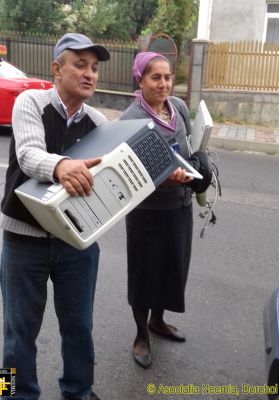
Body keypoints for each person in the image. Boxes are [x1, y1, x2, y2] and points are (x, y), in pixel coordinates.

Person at [0, 33, 110, 400]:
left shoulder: (97, 122)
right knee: (17, 331)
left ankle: (79, 390)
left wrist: (162, 178)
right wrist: (62, 165)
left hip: (75, 241)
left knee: (79, 326)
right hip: (22, 238)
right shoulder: (30, 101)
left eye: (94, 68)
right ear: (56, 68)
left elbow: (113, 178)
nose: (89, 74)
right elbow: (29, 154)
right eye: (80, 65)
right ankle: (7, 394)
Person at [120, 51, 194, 369]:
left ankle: (158, 321)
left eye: (168, 77)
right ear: (141, 80)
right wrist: (161, 181)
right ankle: (141, 334)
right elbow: (126, 172)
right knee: (144, 273)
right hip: (147, 213)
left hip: (179, 205)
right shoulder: (132, 119)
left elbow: (189, 145)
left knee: (170, 268)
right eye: (156, 77)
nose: (164, 84)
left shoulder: (178, 107)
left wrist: (197, 164)